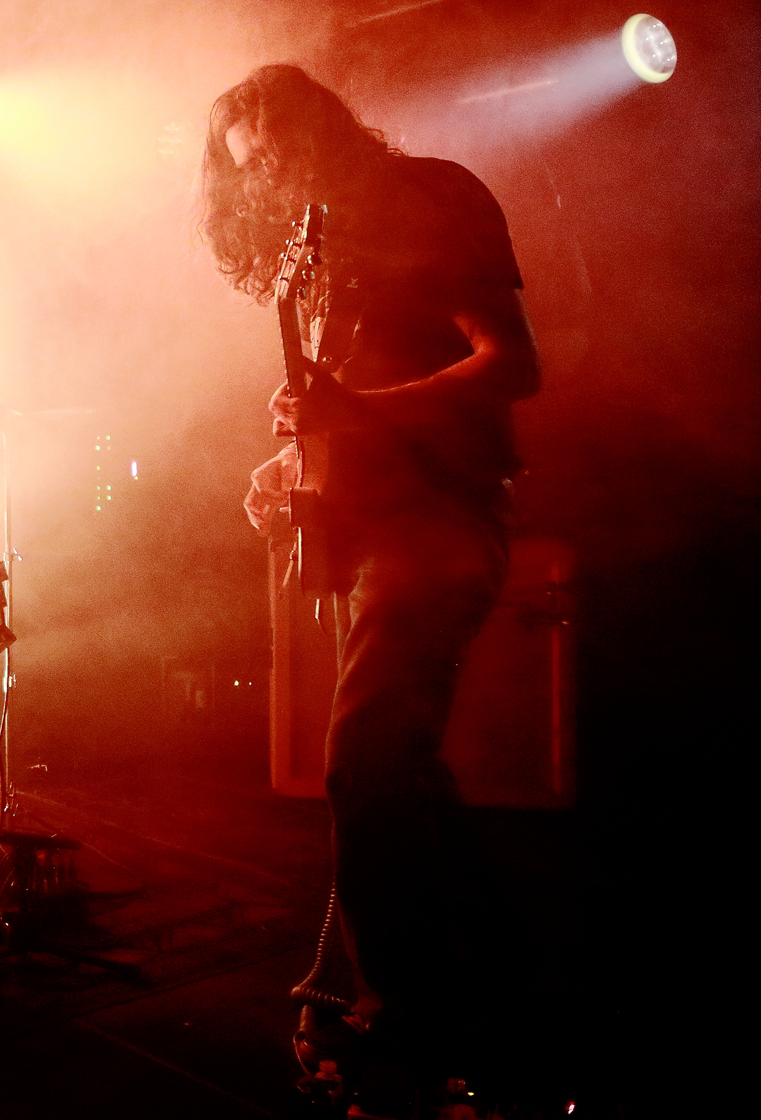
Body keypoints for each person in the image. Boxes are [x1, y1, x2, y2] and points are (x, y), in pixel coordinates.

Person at [199, 65, 541, 1105]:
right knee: (401, 772)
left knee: (362, 760)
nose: (264, 177)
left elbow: (510, 362)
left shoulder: (432, 194)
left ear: (322, 131)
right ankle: (509, 988)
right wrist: (287, 467)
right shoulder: (315, 249)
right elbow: (342, 407)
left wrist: (356, 413)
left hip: (444, 518)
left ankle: (404, 1020)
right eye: (247, 167)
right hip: (373, 529)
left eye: (276, 152)